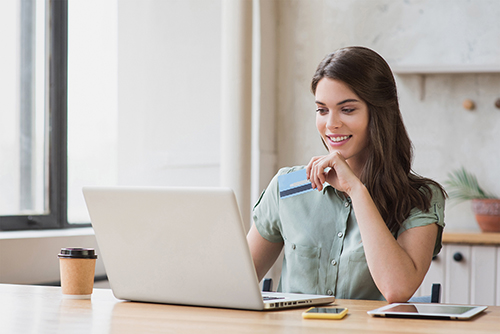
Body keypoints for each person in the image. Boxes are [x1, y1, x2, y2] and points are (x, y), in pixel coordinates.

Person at [247, 46, 446, 303]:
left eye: (347, 109)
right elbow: (236, 281)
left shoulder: (421, 198)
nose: (331, 124)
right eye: (322, 110)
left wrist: (356, 189)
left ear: (379, 113)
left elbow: (397, 289)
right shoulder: (288, 186)